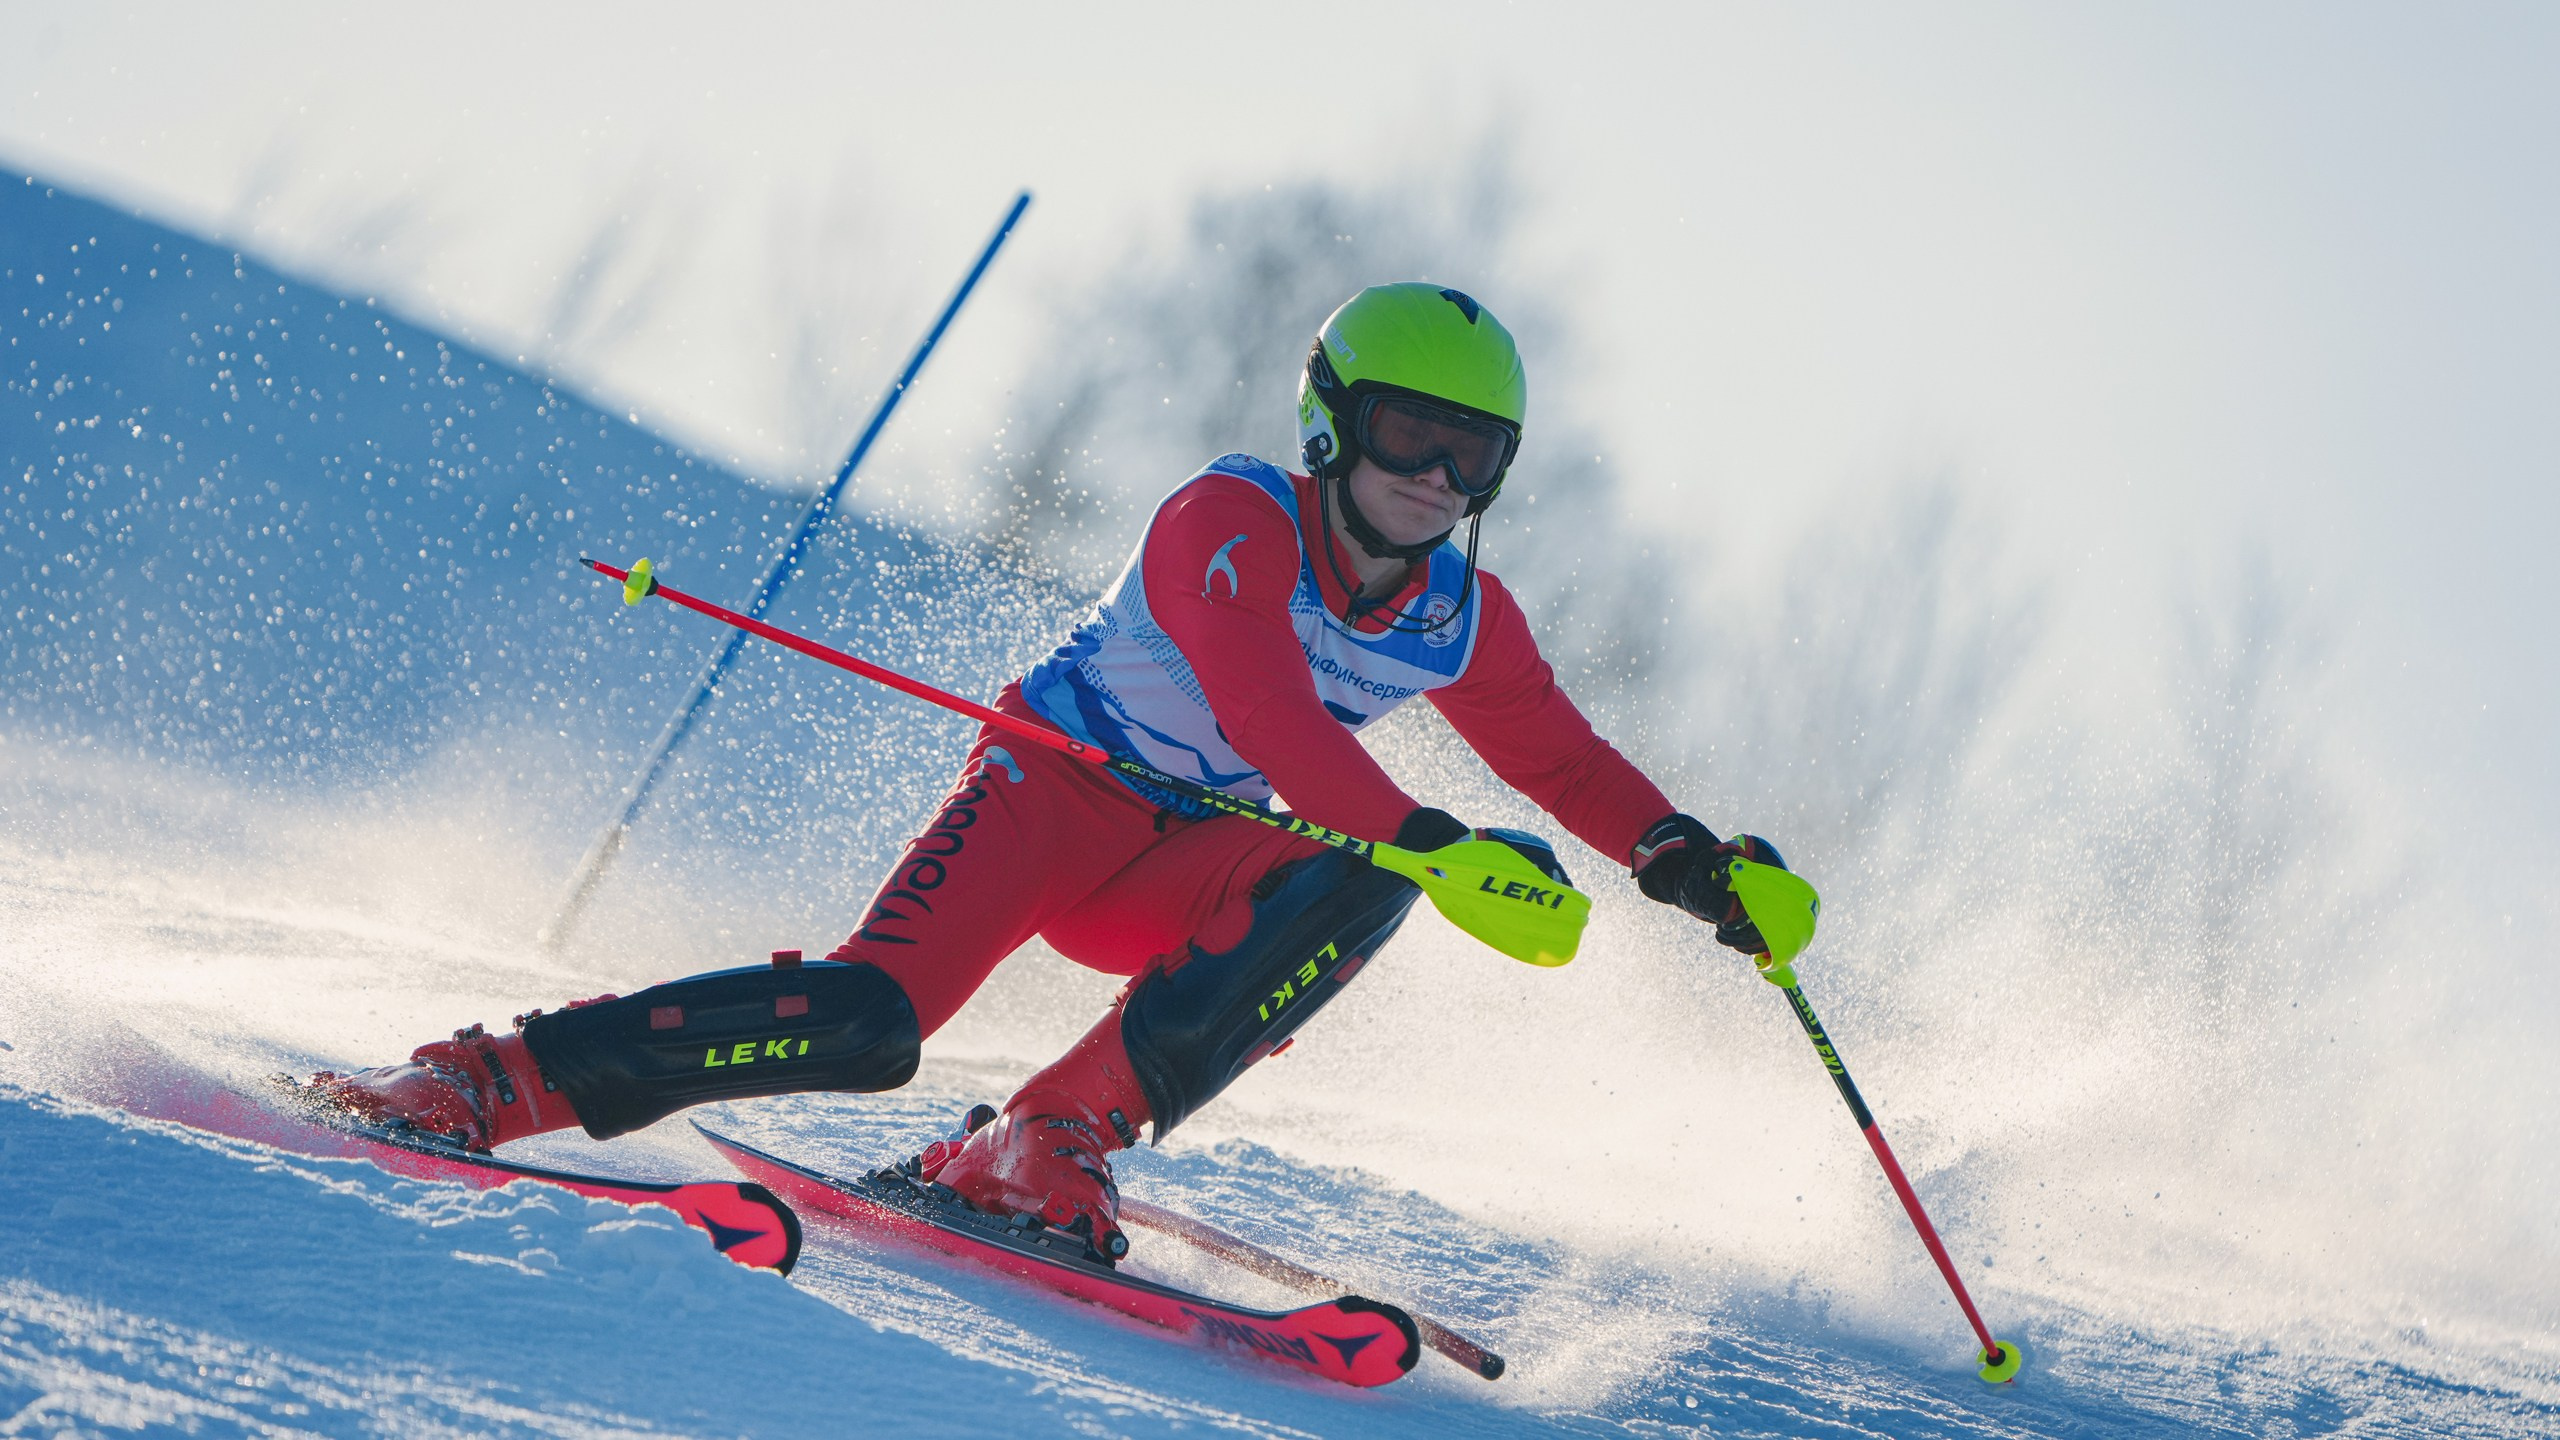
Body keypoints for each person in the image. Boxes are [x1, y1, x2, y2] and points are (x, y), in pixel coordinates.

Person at [315, 283, 1789, 1264]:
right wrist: (1428, 838)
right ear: (1333, 420)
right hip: (1047, 794)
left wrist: (1690, 863)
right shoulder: (1229, 519)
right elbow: (1277, 725)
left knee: (1361, 882)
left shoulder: (1465, 616)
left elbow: (1562, 758)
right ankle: (485, 1079)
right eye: (1412, 432)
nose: (1437, 479)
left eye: (1476, 456)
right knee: (869, 1023)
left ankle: (1046, 1141)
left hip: (1179, 860)